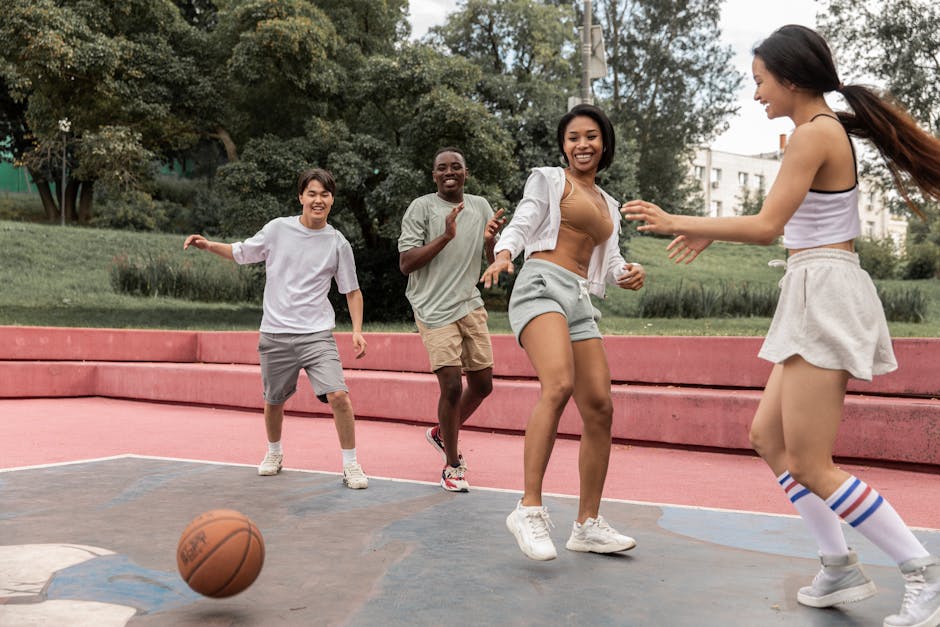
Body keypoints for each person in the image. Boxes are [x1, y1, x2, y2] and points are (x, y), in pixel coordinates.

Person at [622, 25, 940, 627]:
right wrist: (706, 231)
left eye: (761, 82)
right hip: (811, 285)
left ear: (790, 78)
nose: (757, 94)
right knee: (769, 438)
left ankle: (922, 574)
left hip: (825, 292)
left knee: (814, 462)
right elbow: (789, 224)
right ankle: (838, 564)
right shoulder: (818, 133)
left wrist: (676, 220)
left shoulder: (813, 135)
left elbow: (768, 225)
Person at [480, 104, 646, 561]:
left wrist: (628, 272)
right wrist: (504, 252)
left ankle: (587, 525)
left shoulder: (607, 203)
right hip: (540, 284)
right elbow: (524, 219)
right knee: (558, 384)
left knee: (600, 408)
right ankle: (528, 509)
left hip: (579, 298)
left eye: (591, 136)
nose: (582, 144)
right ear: (563, 145)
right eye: (573, 137)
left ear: (604, 142)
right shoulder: (549, 180)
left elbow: (608, 264)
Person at [184, 168, 370, 490]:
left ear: (332, 200)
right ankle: (274, 453)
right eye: (311, 193)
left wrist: (357, 330)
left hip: (316, 335)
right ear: (300, 197)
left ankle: (351, 464)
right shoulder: (277, 230)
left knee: (339, 395)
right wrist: (207, 245)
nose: (318, 200)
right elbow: (241, 252)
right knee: (273, 401)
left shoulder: (338, 243)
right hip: (275, 333)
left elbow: (352, 291)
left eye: (324, 194)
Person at [398, 146, 505, 493]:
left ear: (465, 172)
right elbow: (406, 264)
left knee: (483, 384)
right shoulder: (421, 208)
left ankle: (441, 433)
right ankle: (452, 465)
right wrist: (445, 236)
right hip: (432, 307)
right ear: (434, 175)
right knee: (451, 385)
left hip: (469, 303)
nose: (449, 172)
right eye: (441, 168)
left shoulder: (480, 206)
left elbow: (490, 259)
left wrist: (490, 243)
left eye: (455, 167)